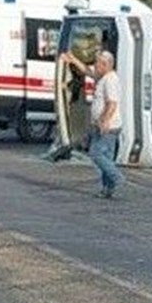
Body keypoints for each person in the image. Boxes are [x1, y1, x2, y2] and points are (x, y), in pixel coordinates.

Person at [60, 49, 123, 199]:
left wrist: (104, 121)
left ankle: (116, 177)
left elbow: (112, 104)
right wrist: (73, 59)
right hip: (105, 125)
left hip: (108, 126)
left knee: (96, 153)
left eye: (98, 63)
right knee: (106, 157)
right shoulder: (102, 77)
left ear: (106, 64)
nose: (95, 66)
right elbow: (87, 71)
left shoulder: (110, 80)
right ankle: (108, 189)